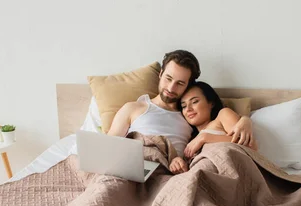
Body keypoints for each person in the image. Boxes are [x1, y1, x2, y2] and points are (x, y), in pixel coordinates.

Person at [108, 50, 255, 159]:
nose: (171, 88)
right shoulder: (133, 108)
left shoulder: (188, 118)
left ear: (188, 85)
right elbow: (107, 148)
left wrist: (245, 120)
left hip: (167, 175)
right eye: (168, 78)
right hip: (133, 164)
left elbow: (221, 130)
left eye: (180, 83)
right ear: (160, 74)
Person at [169, 81, 259, 174]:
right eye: (184, 106)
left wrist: (205, 137)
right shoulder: (189, 139)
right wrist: (177, 162)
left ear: (211, 103)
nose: (188, 109)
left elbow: (250, 147)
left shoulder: (223, 115)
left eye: (194, 102)